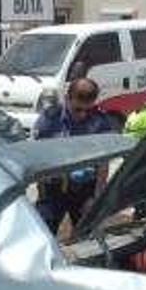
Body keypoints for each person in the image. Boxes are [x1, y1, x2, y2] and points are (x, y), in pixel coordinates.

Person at [31, 77, 115, 232]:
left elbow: (103, 162)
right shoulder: (49, 120)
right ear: (67, 99)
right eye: (78, 109)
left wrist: (96, 198)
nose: (83, 115)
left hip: (84, 190)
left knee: (86, 237)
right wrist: (43, 196)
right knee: (42, 233)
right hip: (54, 190)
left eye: (88, 110)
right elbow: (38, 158)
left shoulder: (100, 121)